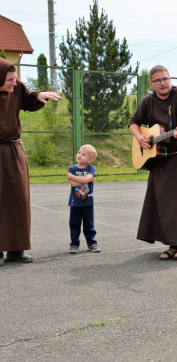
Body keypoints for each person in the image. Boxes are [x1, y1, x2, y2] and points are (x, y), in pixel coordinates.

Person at [128, 65, 177, 260]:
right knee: (161, 202)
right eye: (158, 80)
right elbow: (133, 122)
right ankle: (171, 245)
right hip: (159, 158)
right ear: (151, 84)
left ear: (170, 79)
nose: (163, 83)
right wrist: (140, 137)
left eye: (165, 79)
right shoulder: (147, 101)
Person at [0, 58, 61, 266]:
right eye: (9, 80)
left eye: (15, 79)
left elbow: (28, 100)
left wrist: (38, 95)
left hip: (12, 151)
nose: (14, 83)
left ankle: (17, 249)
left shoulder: (16, 88)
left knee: (18, 199)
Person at [67, 144, 100, 253]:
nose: (80, 155)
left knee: (89, 224)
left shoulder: (91, 168)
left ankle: (92, 243)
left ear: (90, 160)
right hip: (75, 203)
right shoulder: (72, 168)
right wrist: (85, 179)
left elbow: (86, 180)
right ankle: (74, 244)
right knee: (74, 224)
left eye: (84, 154)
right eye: (79, 152)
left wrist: (73, 177)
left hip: (88, 203)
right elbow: (73, 184)